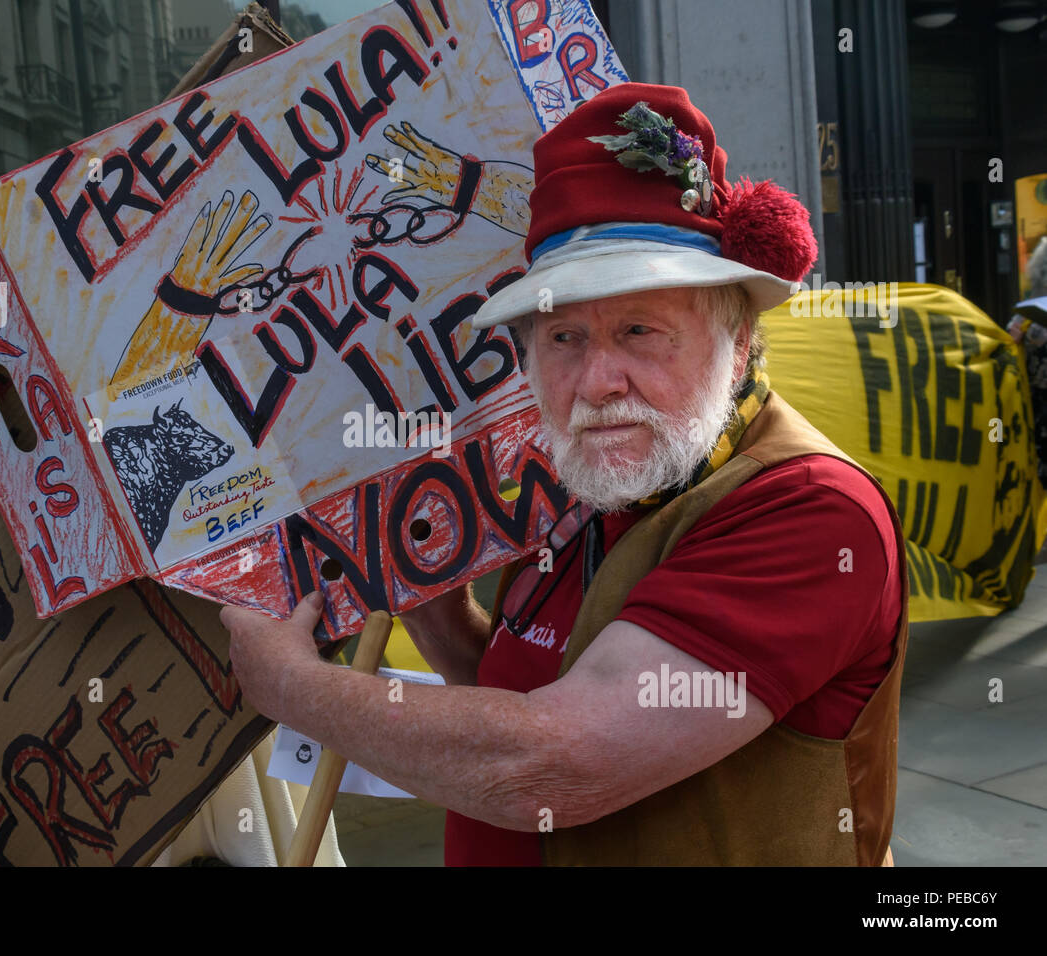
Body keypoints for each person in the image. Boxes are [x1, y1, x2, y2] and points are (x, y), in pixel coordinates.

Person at [219, 83, 907, 866]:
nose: (596, 381)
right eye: (564, 337)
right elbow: (531, 689)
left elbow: (549, 767)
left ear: (738, 342)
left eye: (640, 331)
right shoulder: (595, 491)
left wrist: (288, 686)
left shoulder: (810, 513)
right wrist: (441, 622)